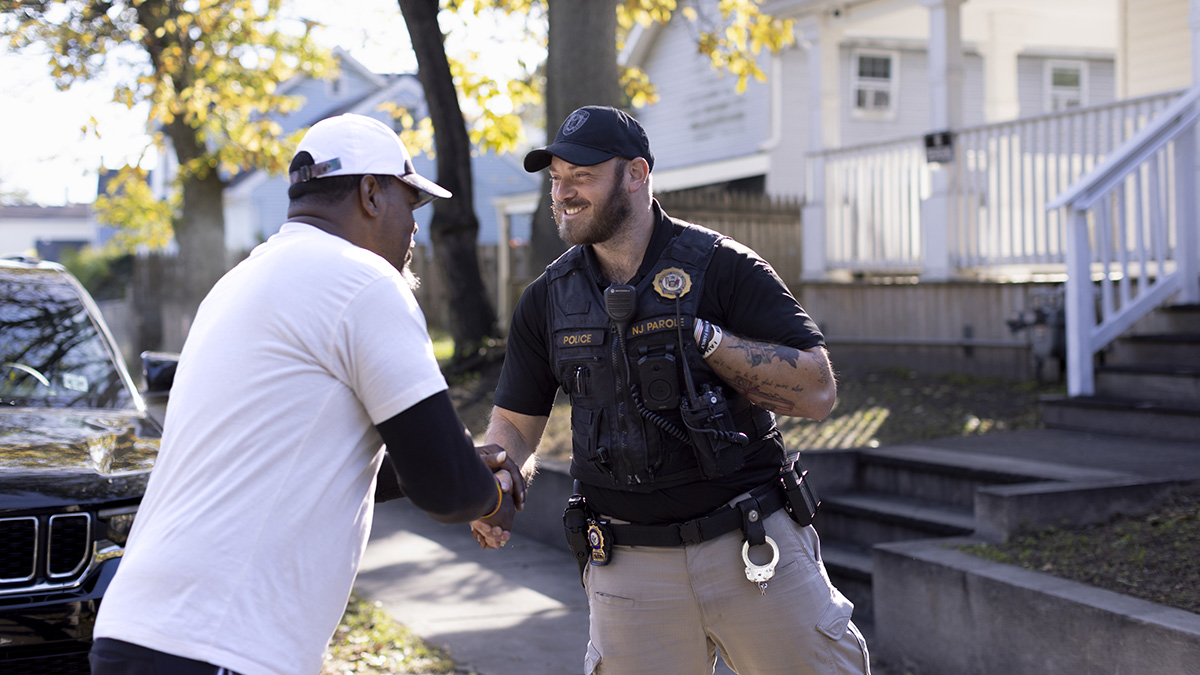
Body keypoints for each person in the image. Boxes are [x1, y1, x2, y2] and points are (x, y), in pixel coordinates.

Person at [91, 113, 523, 675]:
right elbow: (445, 486)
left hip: (134, 631)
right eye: (408, 203)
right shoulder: (365, 281)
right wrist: (493, 499)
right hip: (221, 645)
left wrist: (461, 465)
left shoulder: (237, 284)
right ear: (370, 192)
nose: (415, 227)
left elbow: (300, 456)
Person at [471, 106, 870, 674]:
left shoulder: (722, 267)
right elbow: (514, 423)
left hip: (752, 547)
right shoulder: (547, 299)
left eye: (581, 176)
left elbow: (817, 391)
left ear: (635, 174)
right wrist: (501, 477)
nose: (563, 193)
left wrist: (703, 339)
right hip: (627, 567)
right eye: (556, 179)